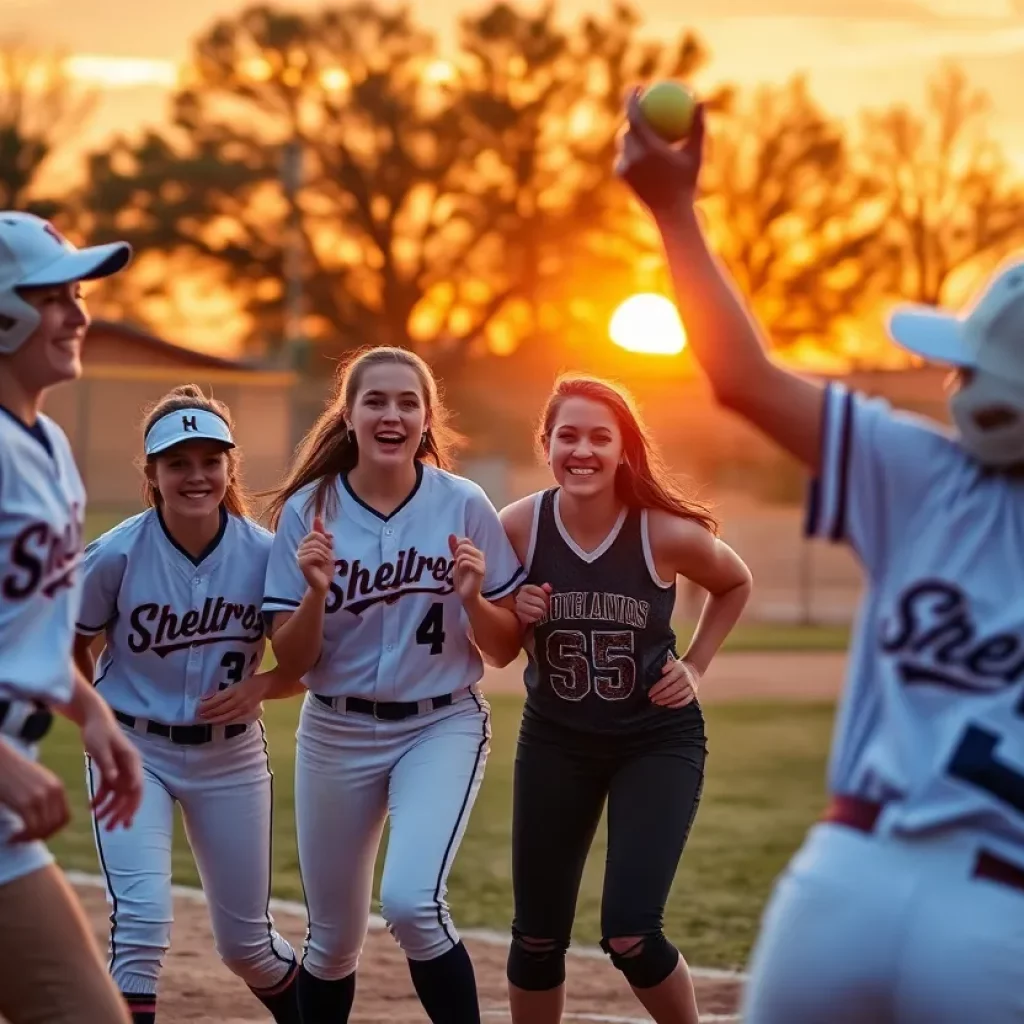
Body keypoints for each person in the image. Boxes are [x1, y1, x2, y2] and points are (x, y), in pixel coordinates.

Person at [617, 91, 1024, 1023]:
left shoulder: (927, 473)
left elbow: (741, 375)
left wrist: (673, 210)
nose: (952, 382)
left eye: (968, 369)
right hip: (1004, 922)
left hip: (845, 887)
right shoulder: (929, 469)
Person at [261, 344, 524, 1024]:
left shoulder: (463, 504)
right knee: (331, 942)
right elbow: (290, 662)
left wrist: (472, 599)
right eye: (375, 400)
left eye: (408, 402)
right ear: (347, 416)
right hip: (335, 729)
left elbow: (502, 650)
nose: (392, 413)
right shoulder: (308, 509)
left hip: (440, 723)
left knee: (412, 904)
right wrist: (315, 592)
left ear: (428, 418)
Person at [497, 373, 752, 1024]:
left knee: (632, 935)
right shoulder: (520, 526)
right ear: (546, 444)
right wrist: (508, 608)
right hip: (555, 739)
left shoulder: (661, 531)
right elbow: (493, 644)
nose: (582, 451)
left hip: (655, 739)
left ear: (625, 451)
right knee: (535, 938)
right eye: (567, 436)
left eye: (599, 438)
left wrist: (694, 664)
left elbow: (734, 583)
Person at [72, 384, 305, 1024]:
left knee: (249, 947)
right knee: (142, 924)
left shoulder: (264, 555)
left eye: (210, 460)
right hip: (133, 749)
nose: (196, 475)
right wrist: (94, 718)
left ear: (231, 466)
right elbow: (68, 644)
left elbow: (306, 665)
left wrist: (265, 685)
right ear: (152, 474)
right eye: (178, 463)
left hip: (229, 760)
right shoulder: (117, 553)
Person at [0, 210, 145, 1023]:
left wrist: (91, 712)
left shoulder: (48, 444)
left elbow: (30, 627)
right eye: (52, 296)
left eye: (77, 294)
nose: (78, 314)